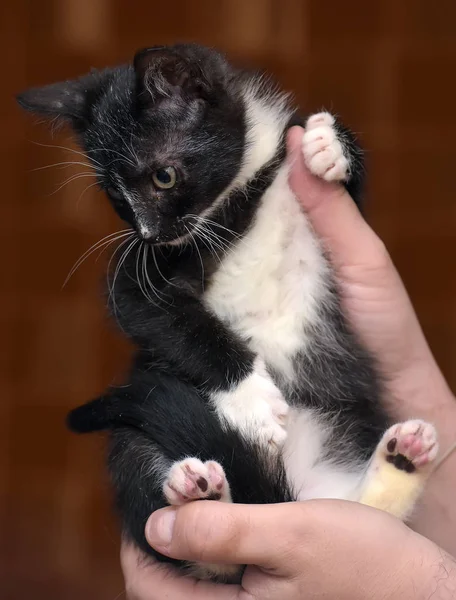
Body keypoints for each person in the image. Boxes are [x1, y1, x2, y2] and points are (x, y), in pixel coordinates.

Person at [121, 127, 456, 599]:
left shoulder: (260, 176)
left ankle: (228, 537)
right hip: (288, 443)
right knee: (155, 443)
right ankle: (234, 535)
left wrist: (418, 586)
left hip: (302, 443)